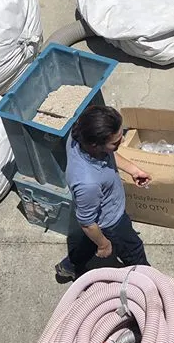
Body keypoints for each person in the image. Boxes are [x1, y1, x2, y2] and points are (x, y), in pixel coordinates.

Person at [54, 105, 152, 282]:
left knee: (90, 240)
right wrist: (104, 244)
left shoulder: (79, 134)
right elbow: (87, 222)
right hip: (112, 221)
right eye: (115, 142)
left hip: (103, 216)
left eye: (121, 135)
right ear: (95, 144)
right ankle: (146, 281)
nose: (121, 142)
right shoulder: (88, 183)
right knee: (134, 250)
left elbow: (108, 155)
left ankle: (70, 266)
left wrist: (133, 170)